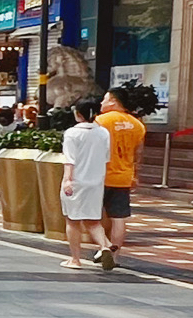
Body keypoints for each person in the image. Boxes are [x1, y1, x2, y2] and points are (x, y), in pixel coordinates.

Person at [96, 84, 148, 268]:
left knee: (94, 216)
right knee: (119, 218)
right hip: (124, 176)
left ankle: (104, 246)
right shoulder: (138, 125)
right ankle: (115, 256)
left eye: (104, 98)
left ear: (113, 101)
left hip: (100, 176)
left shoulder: (101, 121)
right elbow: (138, 153)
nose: (102, 102)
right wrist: (135, 175)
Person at [59, 96, 112, 269]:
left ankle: (75, 259)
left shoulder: (72, 133)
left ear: (77, 114)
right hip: (96, 182)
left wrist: (67, 180)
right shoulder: (103, 132)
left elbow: (70, 160)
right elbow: (106, 158)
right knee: (93, 220)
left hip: (76, 181)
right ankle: (104, 246)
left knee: (72, 221)